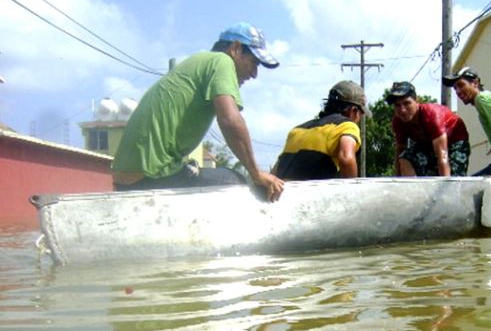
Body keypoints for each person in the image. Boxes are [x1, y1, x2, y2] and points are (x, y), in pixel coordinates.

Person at [112, 22, 285, 202]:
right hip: (153, 176)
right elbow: (230, 120)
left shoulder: (199, 63)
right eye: (253, 62)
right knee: (237, 183)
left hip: (130, 177)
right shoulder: (222, 61)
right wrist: (256, 173)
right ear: (236, 48)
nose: (254, 74)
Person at [271, 80, 370, 180]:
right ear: (353, 111)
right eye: (361, 114)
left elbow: (275, 172)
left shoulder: (297, 130)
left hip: (284, 193)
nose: (359, 119)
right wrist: (353, 191)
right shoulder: (346, 126)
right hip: (313, 194)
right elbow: (346, 159)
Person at [385, 81, 470, 177]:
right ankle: (412, 189)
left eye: (407, 103)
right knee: (405, 158)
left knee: (452, 180)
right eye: (397, 105)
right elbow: (400, 151)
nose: (403, 110)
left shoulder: (431, 114)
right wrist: (397, 181)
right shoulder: (398, 121)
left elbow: (442, 157)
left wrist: (446, 188)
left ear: (417, 101)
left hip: (453, 142)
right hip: (428, 145)